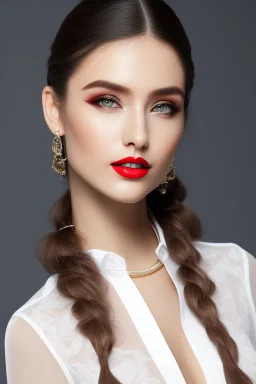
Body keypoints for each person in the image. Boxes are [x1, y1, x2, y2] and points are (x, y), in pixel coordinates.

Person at [4, 0, 256, 383]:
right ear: (54, 109)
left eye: (163, 107)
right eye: (108, 101)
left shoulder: (242, 277)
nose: (138, 135)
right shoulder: (39, 334)